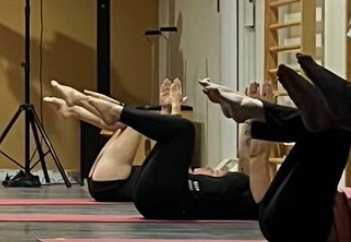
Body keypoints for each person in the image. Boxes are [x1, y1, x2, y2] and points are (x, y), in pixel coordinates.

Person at [48, 78, 269, 220]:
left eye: (215, 171)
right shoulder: (244, 183)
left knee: (183, 130)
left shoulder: (259, 198)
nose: (213, 169)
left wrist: (265, 114)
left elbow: (258, 155)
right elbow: (248, 154)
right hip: (154, 195)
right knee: (165, 129)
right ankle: (89, 106)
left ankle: (109, 110)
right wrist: (249, 118)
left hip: (166, 200)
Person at [217, 54, 351, 242]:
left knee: (337, 127)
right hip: (283, 216)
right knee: (324, 123)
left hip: (303, 225)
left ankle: (263, 112)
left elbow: (256, 161)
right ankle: (263, 112)